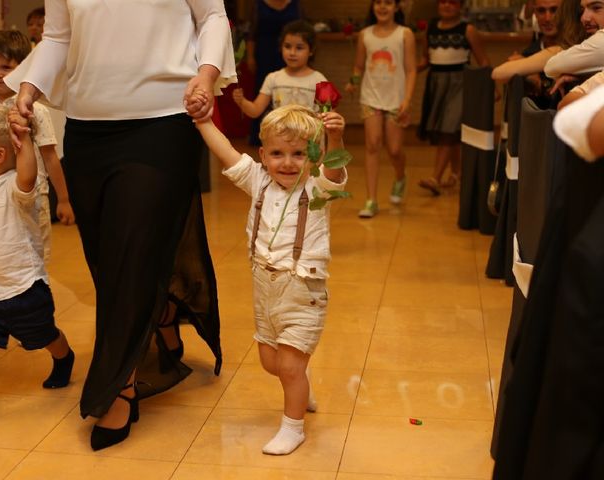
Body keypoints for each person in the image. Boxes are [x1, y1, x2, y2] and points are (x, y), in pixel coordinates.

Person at [6, 0, 236, 451]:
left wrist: (206, 76)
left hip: (164, 122)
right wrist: (28, 89)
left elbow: (211, 16)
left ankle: (118, 386)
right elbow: (57, 37)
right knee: (108, 260)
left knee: (131, 254)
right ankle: (162, 308)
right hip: (89, 129)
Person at [195, 104, 347, 455]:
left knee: (291, 366)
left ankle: (293, 427)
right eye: (277, 154)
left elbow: (336, 172)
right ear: (262, 155)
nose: (288, 163)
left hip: (303, 290)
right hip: (264, 288)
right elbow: (228, 153)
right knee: (271, 363)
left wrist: (335, 137)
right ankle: (301, 388)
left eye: (298, 154)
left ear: (314, 155)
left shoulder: (318, 190)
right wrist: (204, 121)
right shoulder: (259, 182)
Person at [0, 105, 75, 428]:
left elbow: (28, 172)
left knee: (42, 335)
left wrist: (23, 138)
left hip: (22, 288)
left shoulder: (17, 189)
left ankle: (63, 356)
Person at [0, 30, 75, 266]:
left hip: (32, 197)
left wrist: (64, 199)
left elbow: (50, 157)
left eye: (6, 67)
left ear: (24, 67)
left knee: (35, 255)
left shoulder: (35, 110)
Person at [345, 0, 416, 217]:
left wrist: (407, 99)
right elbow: (359, 65)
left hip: (396, 100)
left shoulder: (405, 34)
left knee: (394, 150)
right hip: (370, 98)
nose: (382, 7)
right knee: (373, 145)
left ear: (396, 7)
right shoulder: (365, 35)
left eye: (388, 3)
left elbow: (411, 70)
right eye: (378, 2)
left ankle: (400, 177)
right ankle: (371, 200)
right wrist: (353, 82)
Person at [417, 0, 489, 196]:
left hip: (460, 84)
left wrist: (491, 88)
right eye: (443, 1)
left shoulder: (468, 30)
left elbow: (483, 61)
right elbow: (426, 58)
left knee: (448, 128)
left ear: (460, 6)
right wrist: (408, 71)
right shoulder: (430, 28)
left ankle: (435, 178)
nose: (447, 6)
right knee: (447, 131)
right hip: (437, 85)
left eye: (453, 2)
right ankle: (457, 173)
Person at [233, 20, 326, 118]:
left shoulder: (321, 81)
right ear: (281, 47)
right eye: (287, 46)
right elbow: (255, 111)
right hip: (279, 133)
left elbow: (329, 116)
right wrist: (242, 101)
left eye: (299, 48)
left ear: (311, 50)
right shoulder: (272, 78)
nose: (292, 53)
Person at [246, 0, 302, 145]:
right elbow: (252, 33)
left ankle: (289, 130)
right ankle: (260, 135)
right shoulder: (259, 5)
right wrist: (250, 56)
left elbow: (302, 30)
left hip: (288, 52)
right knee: (263, 91)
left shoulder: (295, 3)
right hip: (264, 53)